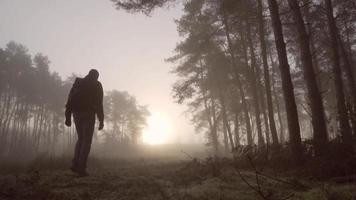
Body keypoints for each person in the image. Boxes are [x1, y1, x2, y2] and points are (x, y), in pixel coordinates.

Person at [65, 69, 104, 176]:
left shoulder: (78, 83)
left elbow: (70, 100)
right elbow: (99, 104)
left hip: (76, 114)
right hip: (88, 114)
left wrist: (67, 116)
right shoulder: (97, 85)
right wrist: (101, 120)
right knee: (86, 141)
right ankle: (81, 168)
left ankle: (75, 164)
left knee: (81, 139)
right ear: (96, 76)